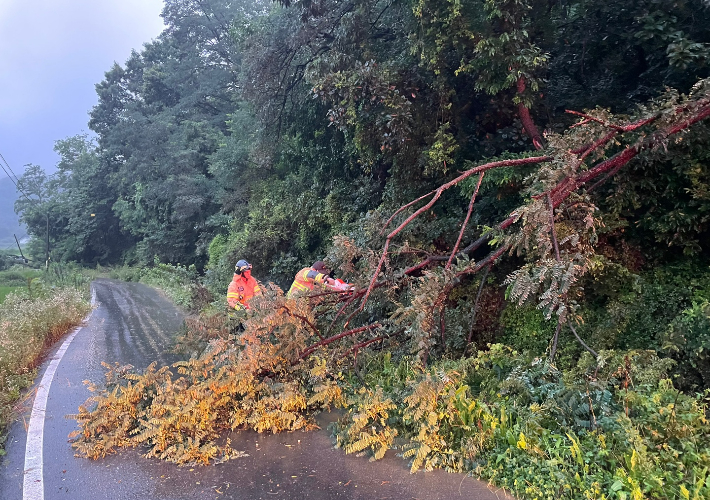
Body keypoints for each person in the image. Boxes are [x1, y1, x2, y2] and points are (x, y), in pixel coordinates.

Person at [287, 260, 351, 298]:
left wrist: (342, 292)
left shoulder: (318, 285)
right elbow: (311, 274)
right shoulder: (304, 272)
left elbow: (329, 289)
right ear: (316, 270)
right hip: (290, 305)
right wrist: (325, 278)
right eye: (321, 273)